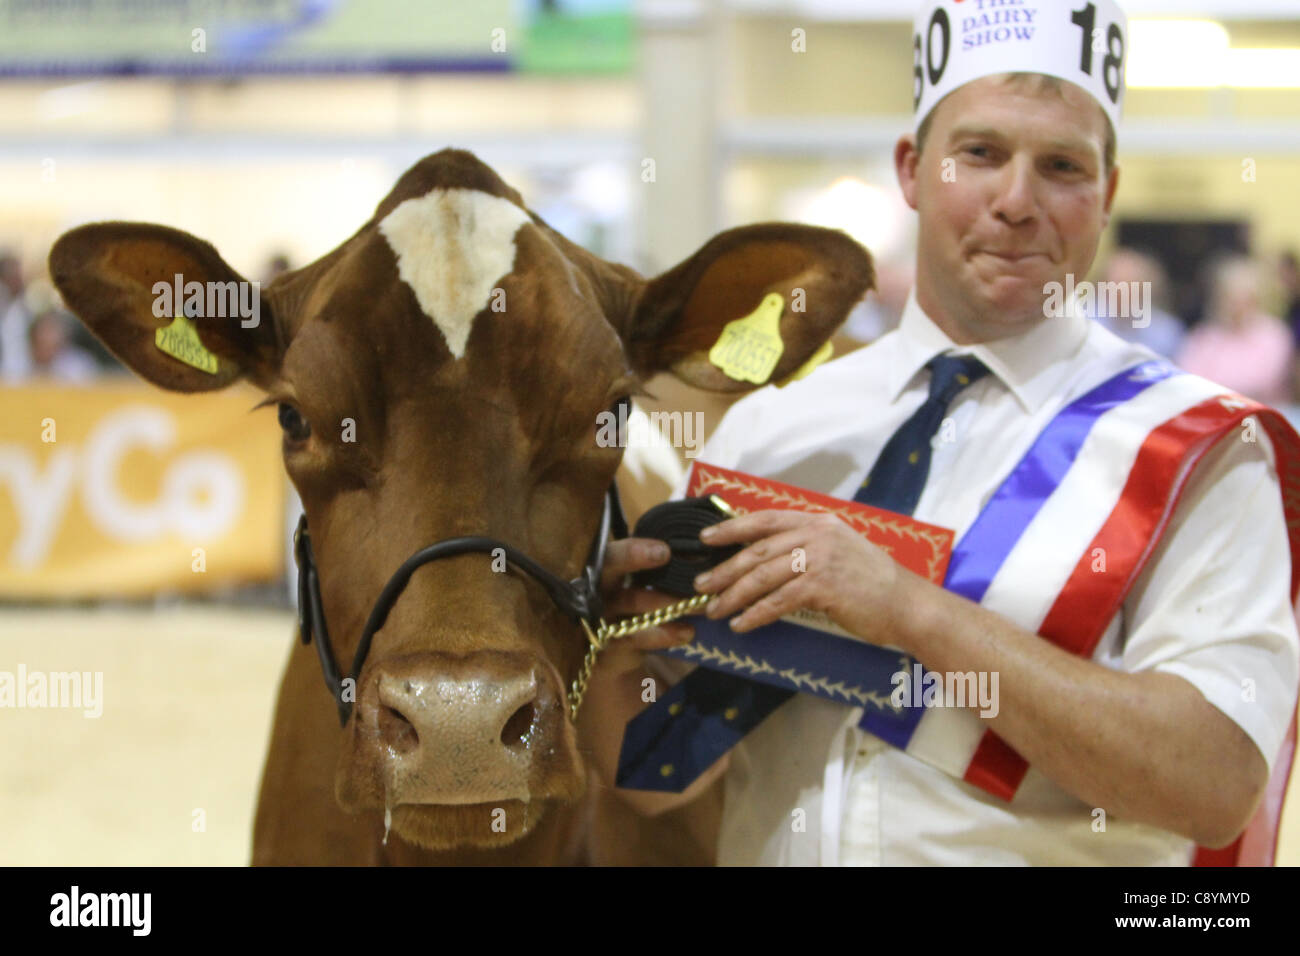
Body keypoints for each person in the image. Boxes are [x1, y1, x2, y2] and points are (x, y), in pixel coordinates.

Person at [587, 0, 1300, 866]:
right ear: (913, 170)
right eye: (981, 153)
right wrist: (614, 646)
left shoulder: (1201, 452)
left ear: (1107, 194)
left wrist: (905, 608)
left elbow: (1213, 785)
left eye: (1063, 166)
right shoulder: (773, 430)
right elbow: (656, 775)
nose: (1017, 201)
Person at [1176, 255, 1293, 408]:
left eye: (1244, 299)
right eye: (1230, 298)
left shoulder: (1274, 334)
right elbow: (1187, 381)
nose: (1237, 307)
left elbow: (1265, 382)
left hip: (1263, 415)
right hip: (1214, 416)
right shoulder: (1202, 337)